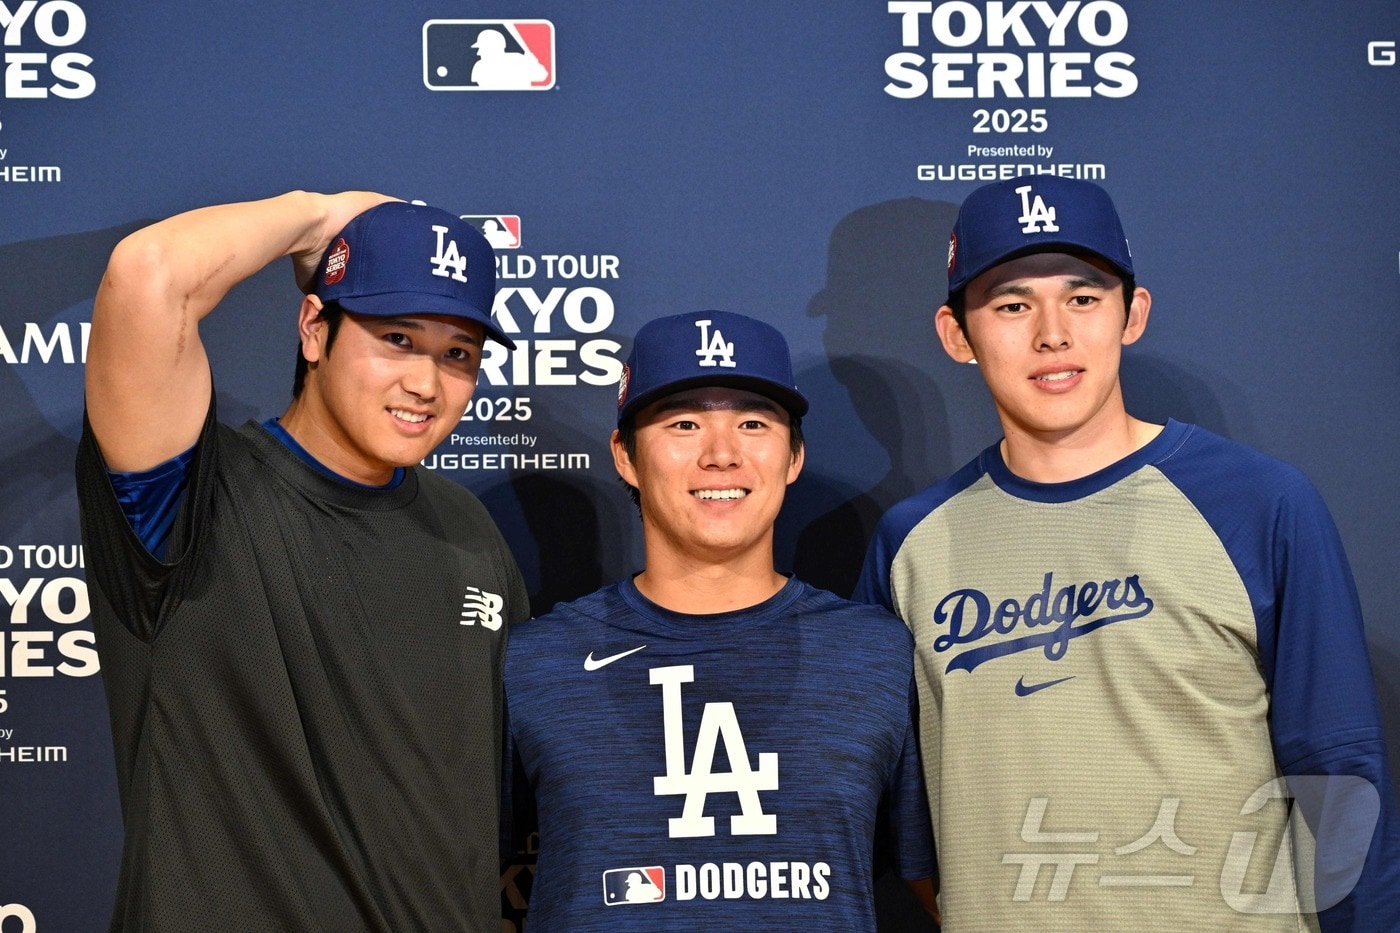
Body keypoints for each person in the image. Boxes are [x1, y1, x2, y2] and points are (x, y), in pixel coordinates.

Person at [855, 176, 1400, 931]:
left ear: (1131, 315)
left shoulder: (1260, 503)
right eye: (1012, 304)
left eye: (1083, 298)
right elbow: (907, 818)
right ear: (957, 334)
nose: (1053, 333)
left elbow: (1340, 781)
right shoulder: (911, 542)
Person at [76, 191, 529, 930]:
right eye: (397, 339)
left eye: (458, 355)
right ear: (315, 329)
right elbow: (148, 274)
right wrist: (318, 218)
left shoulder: (468, 530)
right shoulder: (190, 493)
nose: (426, 383)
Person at [503, 310, 938, 930]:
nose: (722, 455)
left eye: (753, 423)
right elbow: (448, 869)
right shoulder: (536, 663)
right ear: (625, 456)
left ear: (793, 457)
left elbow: (943, 885)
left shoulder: (878, 656)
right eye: (684, 424)